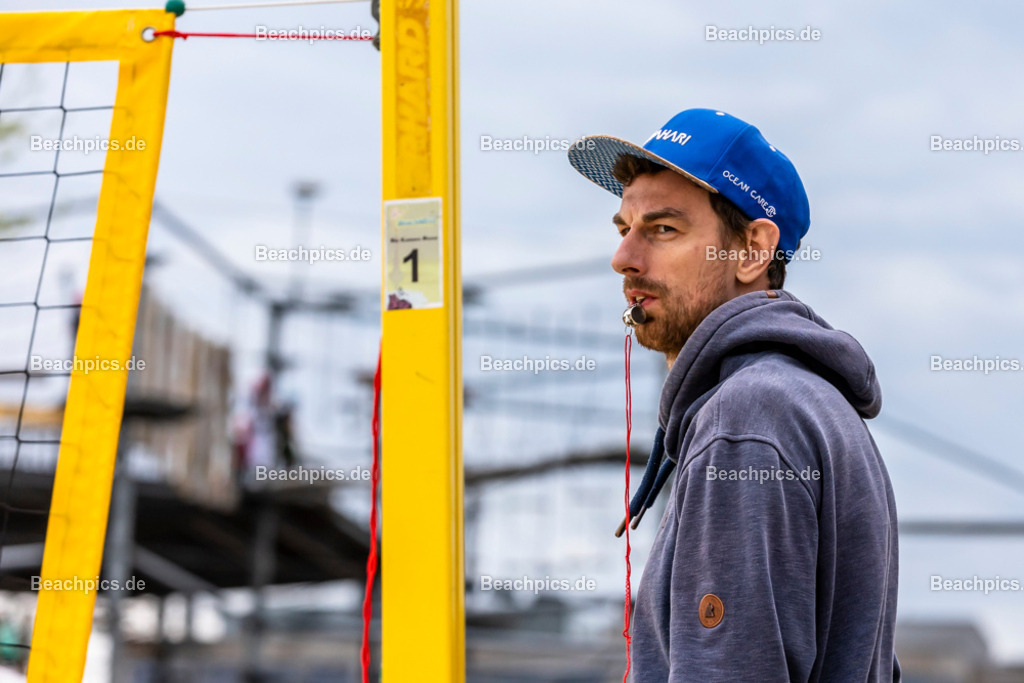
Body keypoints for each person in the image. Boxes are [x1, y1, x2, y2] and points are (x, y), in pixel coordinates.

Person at [567, 109, 900, 682]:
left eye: (664, 229)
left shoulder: (747, 419)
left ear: (751, 252)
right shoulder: (810, 402)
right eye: (625, 229)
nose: (624, 258)